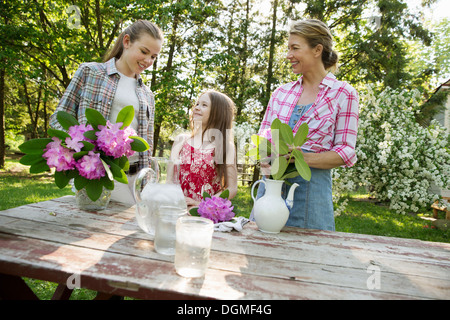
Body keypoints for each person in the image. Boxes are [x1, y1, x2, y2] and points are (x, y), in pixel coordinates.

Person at [253, 19, 359, 231]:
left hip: (312, 197)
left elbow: (346, 151)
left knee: (311, 259)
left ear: (317, 50)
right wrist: (269, 163)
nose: (288, 55)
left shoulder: (343, 94)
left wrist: (301, 158)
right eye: (288, 48)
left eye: (295, 48)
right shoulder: (281, 93)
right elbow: (263, 138)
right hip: (271, 193)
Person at [49, 20, 164, 204]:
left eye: (154, 56)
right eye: (144, 52)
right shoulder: (90, 72)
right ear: (126, 42)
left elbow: (146, 145)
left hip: (135, 179)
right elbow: (58, 117)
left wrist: (147, 183)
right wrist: (78, 148)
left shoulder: (147, 94)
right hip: (97, 176)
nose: (148, 61)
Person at [170, 90, 238, 209]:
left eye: (204, 105)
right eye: (197, 104)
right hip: (177, 208)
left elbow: (232, 189)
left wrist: (202, 205)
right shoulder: (181, 141)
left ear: (218, 113)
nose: (197, 108)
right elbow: (169, 180)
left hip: (205, 214)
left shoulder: (225, 146)